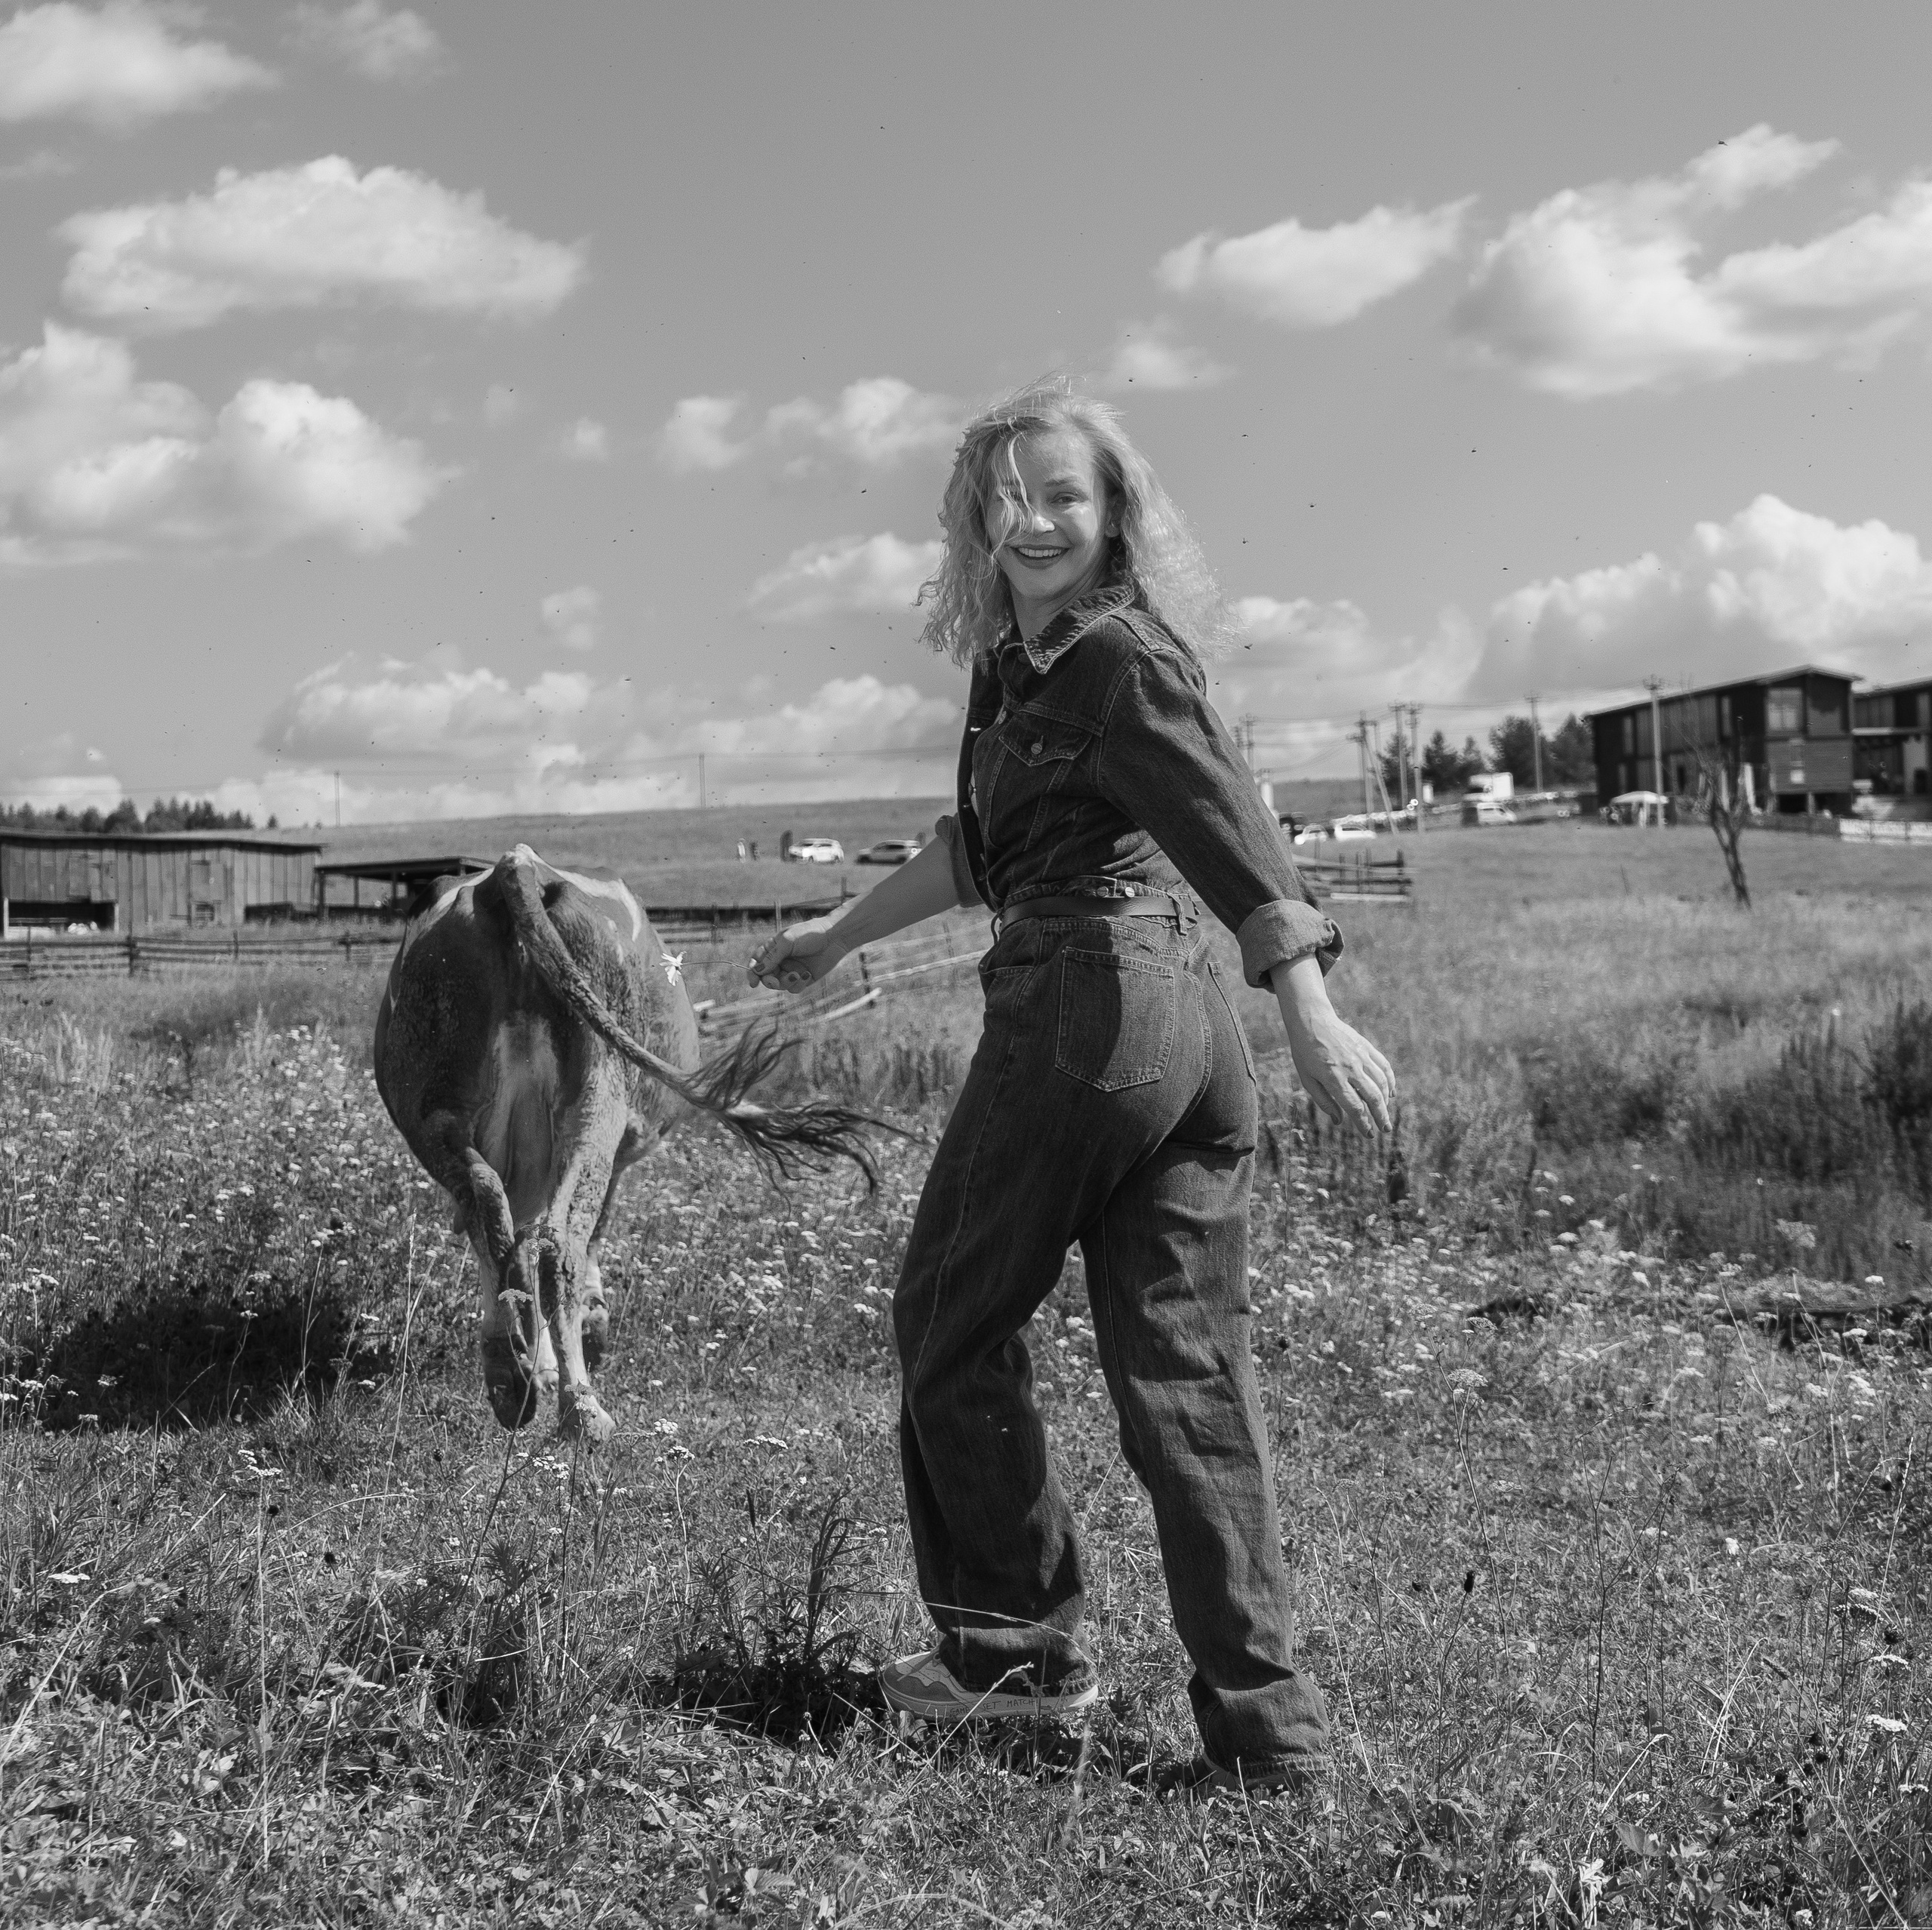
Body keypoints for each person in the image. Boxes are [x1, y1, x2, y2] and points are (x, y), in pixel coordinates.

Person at [749, 379, 1394, 1797]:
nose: (1032, 521)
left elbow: (1229, 815)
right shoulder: (1018, 673)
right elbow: (979, 849)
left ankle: (1014, 1660)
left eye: (1064, 496)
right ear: (975, 517)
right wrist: (833, 936)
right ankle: (1268, 1736)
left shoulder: (1115, 659)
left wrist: (1309, 997)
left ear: (1117, 519)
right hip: (1177, 1039)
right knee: (1186, 1376)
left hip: (1092, 1009)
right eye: (1008, 496)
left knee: (948, 1314)